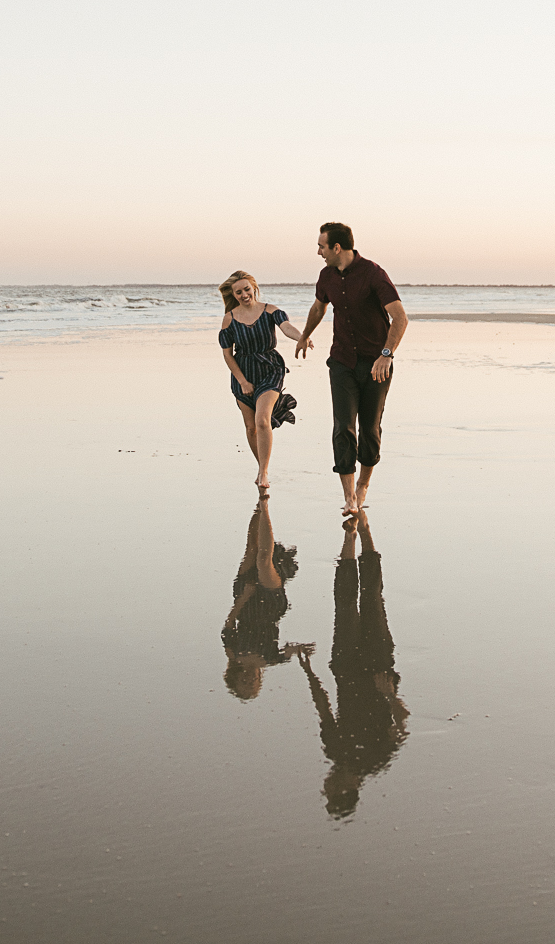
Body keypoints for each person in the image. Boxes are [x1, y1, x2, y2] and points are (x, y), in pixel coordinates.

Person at [295, 509, 407, 818]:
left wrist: (309, 672)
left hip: (344, 667)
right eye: (331, 789)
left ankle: (350, 536)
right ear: (346, 790)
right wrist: (389, 695)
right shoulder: (376, 760)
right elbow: (403, 726)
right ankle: (366, 531)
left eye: (326, 788)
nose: (327, 783)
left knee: (344, 602)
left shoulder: (334, 751)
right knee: (372, 597)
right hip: (377, 667)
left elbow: (323, 708)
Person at [292, 223, 407, 515]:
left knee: (369, 429)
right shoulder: (326, 276)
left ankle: (363, 486)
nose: (319, 252)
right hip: (342, 361)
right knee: (343, 427)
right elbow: (319, 308)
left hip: (375, 364)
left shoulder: (373, 273)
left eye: (322, 246)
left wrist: (386, 355)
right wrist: (305, 335)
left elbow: (400, 318)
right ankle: (349, 498)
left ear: (337, 248)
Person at [217, 270, 304, 494]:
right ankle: (260, 467)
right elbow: (228, 355)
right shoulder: (230, 318)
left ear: (254, 288)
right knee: (251, 427)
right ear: (233, 295)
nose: (244, 294)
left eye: (247, 289)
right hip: (243, 371)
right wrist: (243, 382)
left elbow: (286, 327)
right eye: (239, 292)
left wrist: (302, 337)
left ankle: (264, 472)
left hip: (270, 368)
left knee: (263, 420)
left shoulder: (270, 310)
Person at [221, 493, 308, 700]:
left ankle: (258, 507)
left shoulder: (234, 655)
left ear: (235, 677)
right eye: (254, 684)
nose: (251, 680)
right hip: (270, 606)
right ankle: (266, 508)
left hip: (246, 602)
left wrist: (243, 597)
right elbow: (289, 651)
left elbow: (228, 626)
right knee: (263, 560)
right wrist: (299, 650)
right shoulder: (269, 660)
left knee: (251, 549)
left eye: (245, 683)